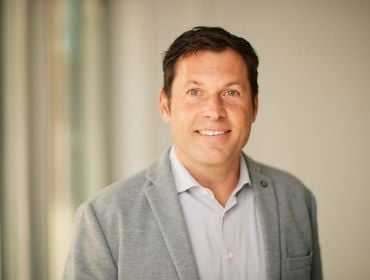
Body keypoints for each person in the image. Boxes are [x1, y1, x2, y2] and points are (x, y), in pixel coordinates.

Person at [63, 26, 322, 280]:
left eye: (231, 92)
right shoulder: (104, 218)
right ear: (165, 106)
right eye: (194, 92)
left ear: (254, 106)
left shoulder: (295, 198)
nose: (214, 111)